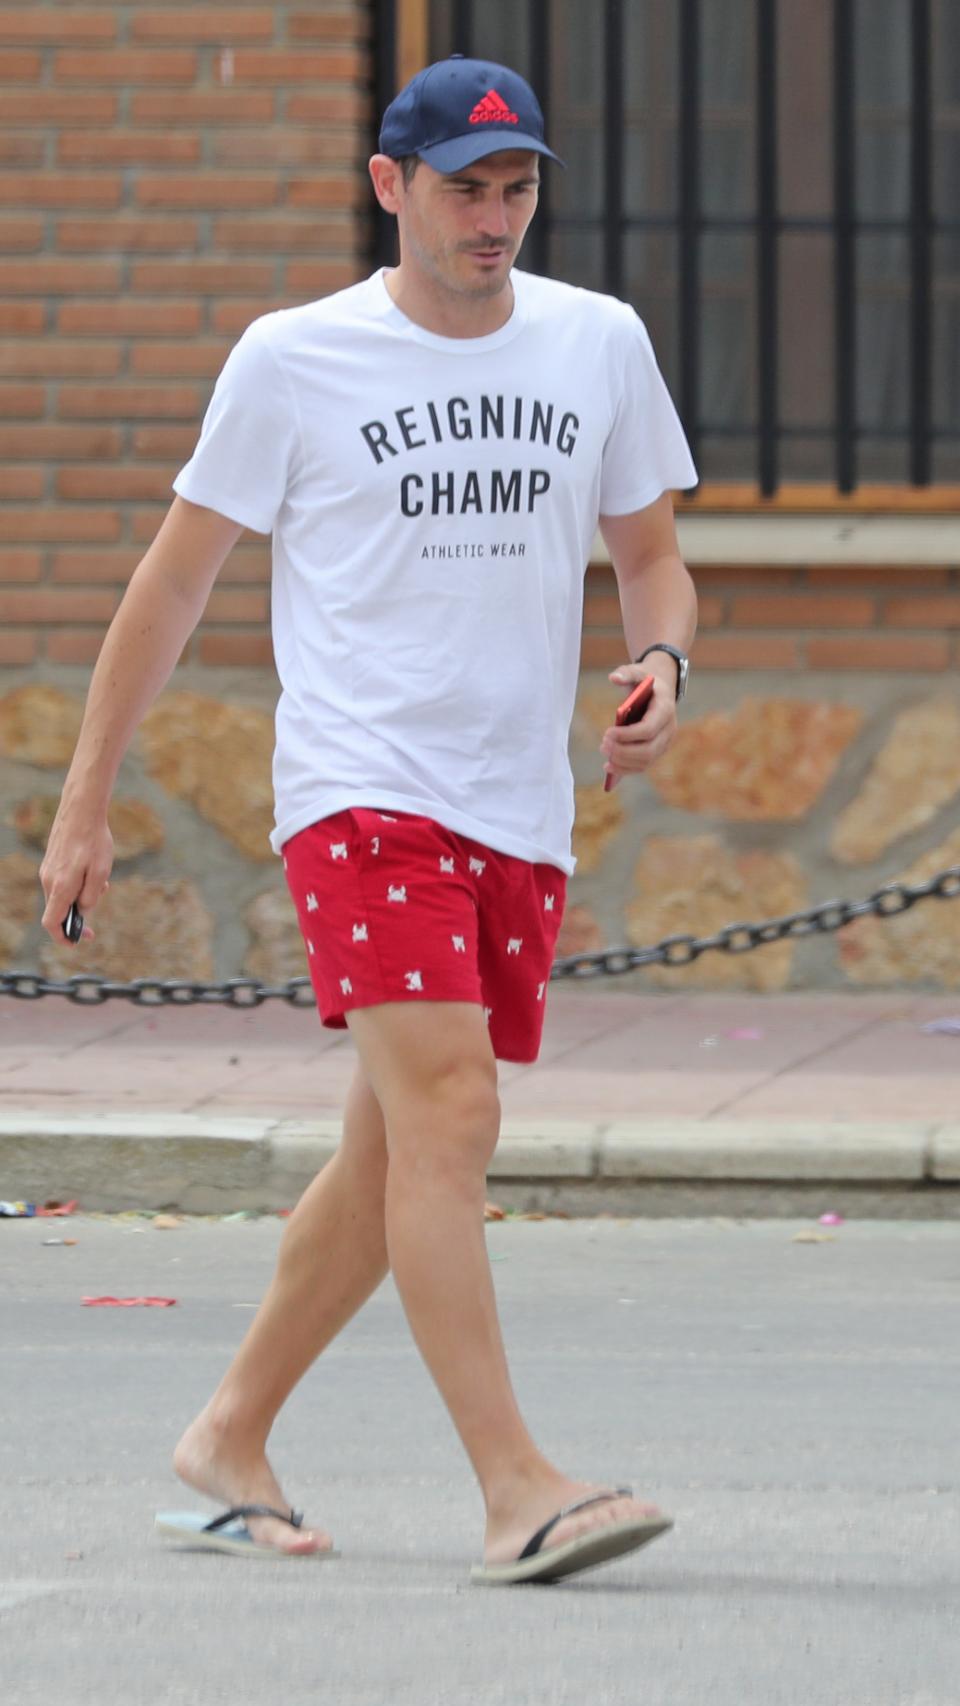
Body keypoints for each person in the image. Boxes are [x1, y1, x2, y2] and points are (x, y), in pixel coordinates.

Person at [39, 54, 698, 1585]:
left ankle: (225, 1437)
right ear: (390, 187)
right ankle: (516, 1485)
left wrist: (663, 657)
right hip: (358, 790)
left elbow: (654, 556)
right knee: (454, 1116)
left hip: (516, 801)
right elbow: (173, 584)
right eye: (465, 188)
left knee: (392, 1152)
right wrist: (87, 796)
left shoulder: (596, 344)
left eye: (518, 186)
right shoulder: (294, 358)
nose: (496, 217)